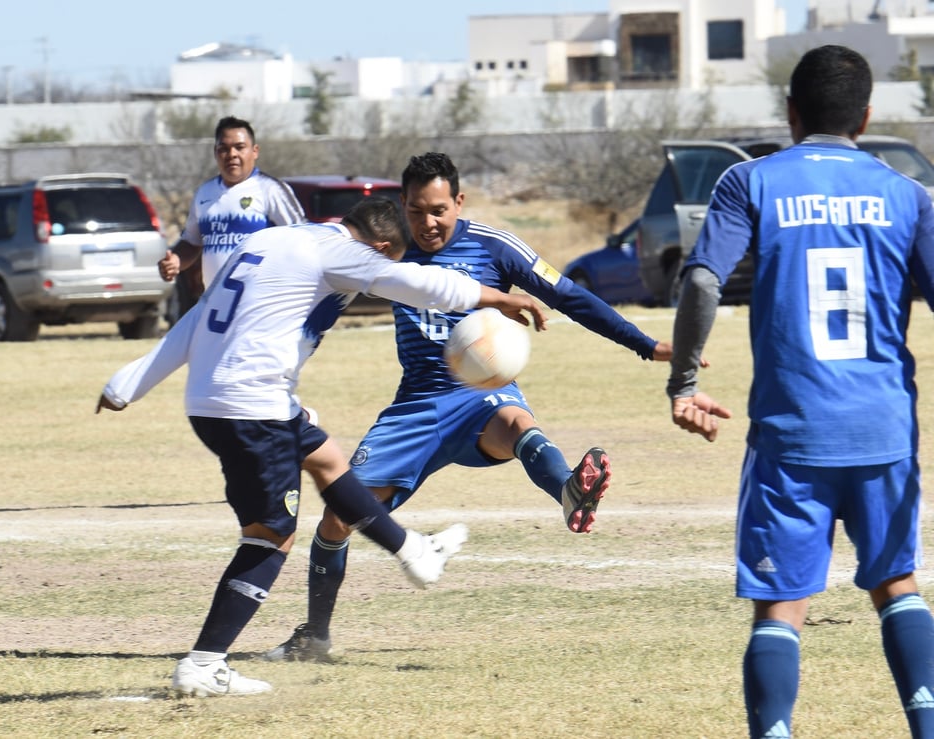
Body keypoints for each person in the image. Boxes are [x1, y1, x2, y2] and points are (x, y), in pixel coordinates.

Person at [97, 198, 547, 697]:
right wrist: (495, 299)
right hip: (252, 407)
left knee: (327, 459)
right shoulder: (336, 251)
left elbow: (197, 318)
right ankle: (204, 665)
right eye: (386, 260)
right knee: (270, 537)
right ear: (379, 247)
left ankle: (411, 549)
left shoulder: (272, 240)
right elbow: (421, 285)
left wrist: (127, 384)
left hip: (218, 401)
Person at [267, 151, 674, 663]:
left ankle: (570, 490)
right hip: (415, 405)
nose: (428, 223)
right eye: (416, 211)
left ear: (458, 201)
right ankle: (315, 638)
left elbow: (569, 295)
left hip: (482, 395)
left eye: (438, 209)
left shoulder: (495, 246)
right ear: (403, 207)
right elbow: (319, 294)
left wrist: (644, 343)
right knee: (338, 518)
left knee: (516, 421)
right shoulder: (386, 254)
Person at [666, 45, 934, 738]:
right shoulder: (907, 194)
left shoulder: (749, 181)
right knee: (896, 586)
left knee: (781, 604)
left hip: (792, 434)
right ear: (867, 115)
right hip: (883, 430)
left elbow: (700, 280)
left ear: (790, 113)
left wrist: (685, 378)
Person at [159, 115, 306, 313]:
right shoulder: (204, 193)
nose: (231, 154)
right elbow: (192, 242)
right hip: (215, 306)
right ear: (215, 152)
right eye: (224, 148)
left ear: (255, 151)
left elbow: (304, 239)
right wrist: (176, 261)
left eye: (239, 147)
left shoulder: (270, 189)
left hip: (260, 306)